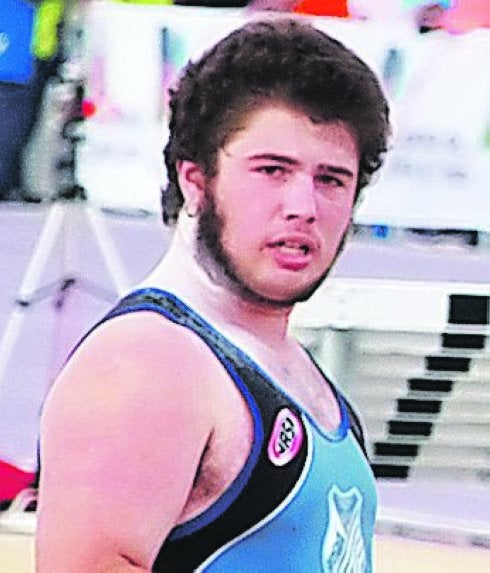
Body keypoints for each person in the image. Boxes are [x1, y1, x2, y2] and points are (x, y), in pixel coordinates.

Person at [36, 16, 391, 572]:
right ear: (195, 181)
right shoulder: (146, 361)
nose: (303, 207)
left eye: (331, 179)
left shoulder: (294, 370)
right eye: (272, 170)